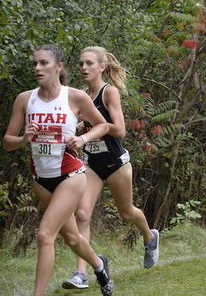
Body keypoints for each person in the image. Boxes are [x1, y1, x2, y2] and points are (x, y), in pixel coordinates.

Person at [3, 45, 114, 296]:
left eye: (43, 63)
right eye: (35, 64)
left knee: (44, 235)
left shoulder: (74, 97)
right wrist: (23, 139)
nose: (37, 68)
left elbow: (103, 126)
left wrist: (82, 140)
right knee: (72, 238)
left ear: (59, 67)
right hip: (41, 178)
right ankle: (99, 265)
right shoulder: (25, 98)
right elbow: (8, 142)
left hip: (70, 176)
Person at [61, 46, 159, 290]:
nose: (84, 68)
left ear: (102, 67)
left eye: (90, 64)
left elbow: (120, 130)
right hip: (92, 163)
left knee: (126, 213)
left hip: (116, 163)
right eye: (81, 64)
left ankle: (150, 237)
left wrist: (94, 124)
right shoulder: (81, 95)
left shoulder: (109, 92)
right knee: (82, 214)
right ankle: (80, 273)